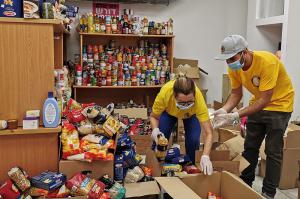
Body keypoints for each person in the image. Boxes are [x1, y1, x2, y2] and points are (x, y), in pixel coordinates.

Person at [214, 35, 294, 198]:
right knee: (250, 147)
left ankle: (268, 193)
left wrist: (235, 115)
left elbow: (265, 100)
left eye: (232, 58)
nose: (229, 62)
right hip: (258, 102)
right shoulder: (234, 67)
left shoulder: (267, 61)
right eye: (226, 59)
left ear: (244, 52)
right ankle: (245, 184)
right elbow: (236, 94)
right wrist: (224, 110)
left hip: (280, 105)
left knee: (273, 151)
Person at [150, 73, 214, 175]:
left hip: (191, 115)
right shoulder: (165, 92)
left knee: (193, 140)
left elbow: (209, 132)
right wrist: (155, 131)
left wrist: (205, 156)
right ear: (174, 95)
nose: (186, 105)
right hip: (169, 112)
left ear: (194, 96)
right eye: (181, 102)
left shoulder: (198, 98)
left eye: (190, 102)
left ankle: (191, 169)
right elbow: (154, 117)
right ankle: (155, 168)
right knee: (160, 139)